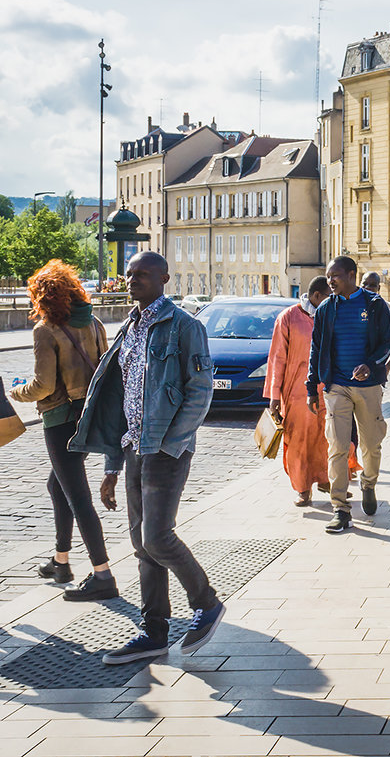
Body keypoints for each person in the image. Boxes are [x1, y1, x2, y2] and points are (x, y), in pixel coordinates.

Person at [70, 251, 225, 665]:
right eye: (129, 273)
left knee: (157, 537)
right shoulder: (130, 326)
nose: (131, 278)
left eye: (141, 273)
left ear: (164, 279)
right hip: (133, 447)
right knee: (141, 544)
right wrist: (111, 466)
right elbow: (123, 400)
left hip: (166, 449)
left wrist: (172, 441)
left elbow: (200, 391)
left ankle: (206, 603)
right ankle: (154, 631)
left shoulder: (184, 326)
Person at [10, 260, 118, 602]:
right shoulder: (95, 323)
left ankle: (103, 575)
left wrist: (15, 392)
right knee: (57, 485)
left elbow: (42, 386)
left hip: (61, 420)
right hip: (91, 414)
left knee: (78, 498)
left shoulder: (46, 330)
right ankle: (60, 561)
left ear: (43, 297)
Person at [307, 255, 390, 534]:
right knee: (337, 446)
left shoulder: (374, 304)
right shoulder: (325, 310)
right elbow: (316, 350)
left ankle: (368, 483)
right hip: (337, 388)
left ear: (351, 275)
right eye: (329, 276)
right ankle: (340, 508)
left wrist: (370, 366)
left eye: (335, 276)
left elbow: (387, 342)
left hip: (368, 388)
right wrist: (312, 387)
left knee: (371, 444)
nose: (330, 281)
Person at [265, 276, 332, 507]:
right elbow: (277, 358)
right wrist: (274, 396)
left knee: (328, 437)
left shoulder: (331, 315)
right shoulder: (288, 318)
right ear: (316, 296)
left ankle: (326, 478)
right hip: (297, 392)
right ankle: (303, 488)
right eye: (328, 297)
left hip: (329, 390)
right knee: (299, 441)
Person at [361, 271, 390, 374]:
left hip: (376, 368)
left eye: (372, 285)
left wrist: (387, 367)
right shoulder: (352, 307)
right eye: (364, 284)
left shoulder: (389, 309)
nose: (368, 287)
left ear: (378, 288)